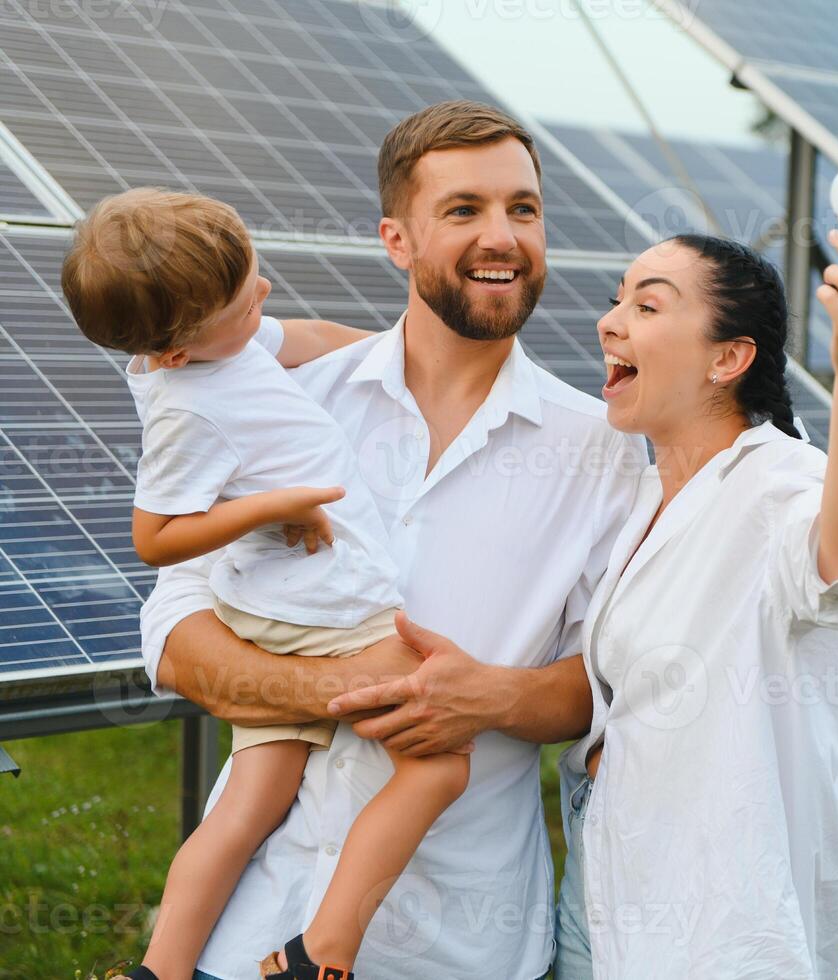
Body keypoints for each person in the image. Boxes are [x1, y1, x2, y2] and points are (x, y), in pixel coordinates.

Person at [130, 101, 644, 979]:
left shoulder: (608, 451)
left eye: (522, 209)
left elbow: (608, 690)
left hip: (459, 943)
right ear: (396, 240)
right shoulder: (288, 400)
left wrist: (484, 699)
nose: (503, 236)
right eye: (463, 210)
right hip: (252, 915)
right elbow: (175, 632)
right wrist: (328, 686)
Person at [61, 187, 476, 980]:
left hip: (279, 600)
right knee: (442, 760)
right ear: (175, 352)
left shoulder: (217, 340)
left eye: (253, 274)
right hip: (323, 614)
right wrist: (272, 503)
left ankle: (161, 969)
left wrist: (410, 368)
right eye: (246, 298)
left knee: (253, 801)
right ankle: (321, 949)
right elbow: (155, 536)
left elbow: (309, 338)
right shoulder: (187, 408)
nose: (264, 293)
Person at [547, 227, 838, 978]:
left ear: (728, 358)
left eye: (647, 307)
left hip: (718, 919)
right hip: (604, 876)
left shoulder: (782, 483)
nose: (609, 322)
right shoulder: (647, 491)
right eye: (616, 301)